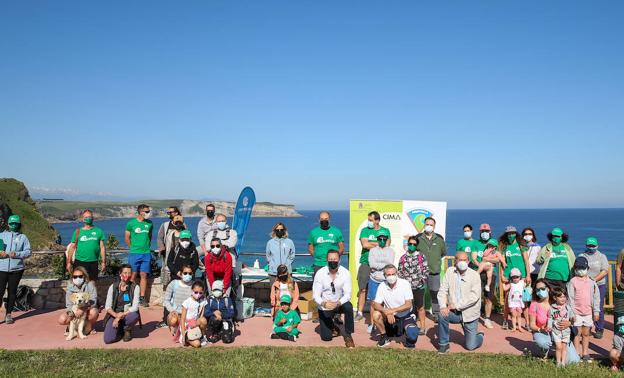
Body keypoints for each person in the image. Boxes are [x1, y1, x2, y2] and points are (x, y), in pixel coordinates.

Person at [437, 251, 484, 354]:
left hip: (469, 314)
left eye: (464, 260)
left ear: (468, 261)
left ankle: (480, 336)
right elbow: (442, 290)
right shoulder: (449, 272)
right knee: (442, 315)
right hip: (453, 312)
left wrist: (457, 305)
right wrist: (443, 306)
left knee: (470, 346)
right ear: (455, 261)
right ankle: (443, 345)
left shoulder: (474, 275)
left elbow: (474, 297)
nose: (462, 262)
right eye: (460, 260)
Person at [529, 278, 580, 363]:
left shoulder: (558, 300)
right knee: (543, 343)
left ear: (548, 288)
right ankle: (544, 353)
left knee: (574, 361)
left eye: (542, 288)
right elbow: (531, 325)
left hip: (562, 332)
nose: (540, 291)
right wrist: (540, 329)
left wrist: (569, 323)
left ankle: (560, 354)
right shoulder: (534, 304)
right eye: (537, 289)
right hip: (544, 333)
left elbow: (571, 316)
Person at [312, 250, 355, 348]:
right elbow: (315, 295)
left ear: (339, 260)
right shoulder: (320, 273)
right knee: (326, 338)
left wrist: (338, 303)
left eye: (335, 259)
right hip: (325, 305)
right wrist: (324, 304)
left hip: (339, 303)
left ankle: (348, 335)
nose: (333, 261)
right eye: (330, 259)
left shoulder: (345, 273)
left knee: (348, 307)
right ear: (327, 260)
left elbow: (348, 294)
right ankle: (334, 325)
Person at [372, 264, 419, 348]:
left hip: (406, 316)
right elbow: (375, 304)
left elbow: (408, 304)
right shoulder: (382, 286)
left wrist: (392, 310)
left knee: (412, 334)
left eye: (393, 274)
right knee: (376, 314)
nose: (391, 276)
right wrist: (386, 311)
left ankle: (408, 340)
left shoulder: (405, 283)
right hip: (391, 318)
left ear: (396, 273)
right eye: (388, 275)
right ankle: (384, 336)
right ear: (384, 276)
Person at [355, 211, 391, 322]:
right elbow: (365, 244)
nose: (369, 222)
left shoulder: (385, 230)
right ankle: (359, 312)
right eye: (368, 220)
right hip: (366, 263)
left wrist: (373, 243)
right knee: (362, 288)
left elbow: (387, 245)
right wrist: (378, 243)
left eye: (371, 220)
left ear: (377, 220)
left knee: (384, 288)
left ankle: (383, 312)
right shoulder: (364, 230)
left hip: (381, 265)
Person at [567, 256, 600, 362]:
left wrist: (596, 311)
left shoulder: (592, 282)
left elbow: (596, 298)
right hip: (576, 313)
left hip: (588, 313)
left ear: (587, 268)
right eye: (578, 268)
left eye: (583, 268)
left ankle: (585, 353)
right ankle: (576, 353)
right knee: (577, 333)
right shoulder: (572, 282)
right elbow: (570, 299)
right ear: (575, 269)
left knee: (586, 333)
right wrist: (571, 313)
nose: (581, 270)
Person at [0, 214, 31, 324]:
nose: (14, 225)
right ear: (8, 224)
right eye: (12, 223)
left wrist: (17, 254)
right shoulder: (1, 236)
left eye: (16, 223)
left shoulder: (23, 237)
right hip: (1, 268)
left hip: (17, 269)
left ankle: (8, 314)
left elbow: (28, 252)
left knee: (12, 292)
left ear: (19, 224)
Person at [499, 226, 531, 330]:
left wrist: (528, 275)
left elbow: (526, 261)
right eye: (509, 234)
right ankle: (505, 320)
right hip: (509, 276)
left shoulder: (521, 245)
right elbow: (502, 262)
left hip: (522, 277)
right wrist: (502, 275)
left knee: (524, 301)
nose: (511, 235)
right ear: (506, 235)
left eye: (513, 233)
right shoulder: (504, 246)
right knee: (508, 300)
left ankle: (526, 323)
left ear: (516, 234)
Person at [415, 217, 446, 323]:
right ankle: (418, 314)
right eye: (427, 224)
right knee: (419, 294)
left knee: (435, 294)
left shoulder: (439, 239)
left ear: (434, 226)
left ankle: (436, 314)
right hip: (420, 273)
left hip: (434, 273)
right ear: (424, 225)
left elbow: (443, 253)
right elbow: (414, 253)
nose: (429, 226)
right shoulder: (418, 238)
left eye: (431, 225)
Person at [578, 236, 609, 339]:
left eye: (593, 245)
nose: (591, 247)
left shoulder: (602, 256)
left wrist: (594, 280)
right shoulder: (582, 255)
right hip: (585, 285)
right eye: (589, 245)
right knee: (586, 306)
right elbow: (577, 268)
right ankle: (587, 328)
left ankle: (599, 328)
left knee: (598, 306)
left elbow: (605, 270)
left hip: (599, 285)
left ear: (597, 246)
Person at [398, 235, 429, 334]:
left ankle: (423, 327)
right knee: (407, 307)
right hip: (406, 289)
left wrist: (421, 281)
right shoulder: (403, 258)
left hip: (419, 287)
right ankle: (406, 327)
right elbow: (399, 272)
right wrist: (403, 285)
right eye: (410, 244)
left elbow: (426, 270)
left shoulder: (421, 256)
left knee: (420, 307)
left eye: (414, 244)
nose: (411, 246)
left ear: (417, 245)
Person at [124, 204, 153, 307]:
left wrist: (146, 247)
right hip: (134, 253)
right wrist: (133, 247)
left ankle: (142, 297)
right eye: (147, 211)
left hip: (146, 253)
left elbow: (149, 236)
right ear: (141, 212)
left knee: (144, 275)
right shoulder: (131, 223)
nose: (149, 213)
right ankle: (129, 297)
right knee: (132, 275)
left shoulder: (149, 223)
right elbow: (127, 238)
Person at [103, 264, 140, 344]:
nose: (127, 275)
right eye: (125, 273)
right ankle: (120, 331)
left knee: (134, 315)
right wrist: (116, 315)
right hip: (115, 313)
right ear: (120, 274)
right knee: (108, 339)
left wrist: (120, 316)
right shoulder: (113, 287)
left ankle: (127, 329)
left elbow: (135, 307)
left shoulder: (135, 287)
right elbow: (107, 307)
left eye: (129, 273)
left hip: (127, 314)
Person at [65, 209, 106, 281]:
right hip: (80, 262)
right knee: (79, 283)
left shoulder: (99, 231)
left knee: (92, 284)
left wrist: (103, 262)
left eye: (90, 217)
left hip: (93, 262)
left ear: (92, 218)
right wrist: (68, 262)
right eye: (86, 217)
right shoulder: (78, 232)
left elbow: (102, 248)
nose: (88, 219)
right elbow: (72, 247)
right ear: (83, 219)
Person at [367, 229, 395, 333]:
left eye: (384, 238)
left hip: (386, 281)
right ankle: (372, 324)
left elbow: (389, 265)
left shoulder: (391, 251)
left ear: (387, 239)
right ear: (377, 239)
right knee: (373, 303)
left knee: (386, 302)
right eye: (380, 238)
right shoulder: (372, 250)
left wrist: (378, 267)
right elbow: (371, 264)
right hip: (374, 280)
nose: (382, 240)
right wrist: (382, 266)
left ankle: (385, 322)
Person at [57, 266, 99, 335]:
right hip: (74, 310)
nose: (77, 278)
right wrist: (73, 313)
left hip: (87, 309)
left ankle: (89, 327)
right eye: (75, 277)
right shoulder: (70, 287)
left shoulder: (90, 285)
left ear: (84, 276)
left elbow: (93, 301)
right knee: (62, 319)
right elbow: (68, 305)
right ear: (72, 277)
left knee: (94, 312)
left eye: (80, 276)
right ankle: (70, 326)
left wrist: (82, 309)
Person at [471, 224, 497, 329]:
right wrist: (481, 266)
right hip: (478, 273)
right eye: (482, 231)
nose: (484, 233)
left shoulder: (494, 243)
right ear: (480, 232)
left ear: (490, 232)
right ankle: (474, 317)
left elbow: (498, 259)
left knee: (489, 297)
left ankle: (487, 319)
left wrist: (487, 262)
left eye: (486, 231)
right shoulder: (476, 243)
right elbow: (474, 258)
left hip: (490, 274)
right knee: (475, 296)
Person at [537, 227, 575, 292]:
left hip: (564, 279)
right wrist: (544, 255)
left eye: (557, 236)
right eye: (554, 236)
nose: (555, 238)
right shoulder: (547, 247)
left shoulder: (567, 247)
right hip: (549, 279)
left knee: (562, 299)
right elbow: (538, 261)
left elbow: (573, 261)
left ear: (561, 237)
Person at [308, 211, 345, 277]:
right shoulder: (313, 232)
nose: (324, 221)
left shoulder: (336, 231)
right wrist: (317, 256)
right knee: (318, 285)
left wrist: (335, 258)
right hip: (318, 264)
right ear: (319, 220)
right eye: (322, 219)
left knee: (334, 284)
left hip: (333, 264)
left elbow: (341, 248)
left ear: (329, 219)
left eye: (326, 219)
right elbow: (310, 248)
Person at [156, 207, 185, 288]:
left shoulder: (183, 225)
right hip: (168, 252)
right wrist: (161, 247)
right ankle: (166, 287)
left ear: (176, 213)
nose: (169, 214)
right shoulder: (165, 225)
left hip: (180, 253)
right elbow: (160, 237)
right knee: (167, 270)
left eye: (171, 212)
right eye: (168, 212)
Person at [163, 264, 195, 336]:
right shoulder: (173, 283)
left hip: (189, 314)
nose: (188, 275)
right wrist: (172, 310)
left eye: (190, 273)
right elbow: (166, 300)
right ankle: (175, 326)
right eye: (185, 273)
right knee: (173, 320)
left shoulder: (194, 285)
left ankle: (182, 328)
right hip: (176, 313)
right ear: (181, 273)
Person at [548, 288, 575, 368]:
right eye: (560, 297)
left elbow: (572, 316)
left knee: (564, 347)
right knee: (558, 347)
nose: (563, 299)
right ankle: (558, 362)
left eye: (564, 297)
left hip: (566, 332)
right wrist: (549, 326)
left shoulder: (568, 307)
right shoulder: (552, 308)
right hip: (556, 332)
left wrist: (573, 319)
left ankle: (563, 362)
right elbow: (550, 318)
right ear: (555, 298)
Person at [179, 281, 208, 348]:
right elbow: (182, 319)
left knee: (203, 320)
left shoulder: (203, 301)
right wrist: (183, 334)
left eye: (200, 293)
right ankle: (187, 339)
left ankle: (202, 336)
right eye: (196, 292)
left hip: (196, 324)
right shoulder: (187, 302)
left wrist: (197, 325)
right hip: (187, 325)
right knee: (197, 344)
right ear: (192, 290)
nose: (198, 294)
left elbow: (201, 316)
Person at [503, 268, 526, 332]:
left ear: (520, 277)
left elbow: (526, 286)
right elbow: (505, 289)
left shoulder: (522, 282)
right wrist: (503, 283)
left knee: (519, 315)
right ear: (511, 277)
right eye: (514, 277)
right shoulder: (511, 284)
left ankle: (519, 327)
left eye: (517, 277)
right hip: (513, 302)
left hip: (519, 302)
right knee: (513, 315)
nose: (515, 278)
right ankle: (514, 327)